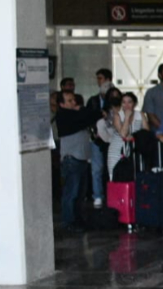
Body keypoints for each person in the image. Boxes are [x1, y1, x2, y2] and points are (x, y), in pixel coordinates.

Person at [53, 91, 95, 232]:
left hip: (82, 158)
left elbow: (91, 116)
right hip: (72, 158)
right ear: (62, 104)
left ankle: (78, 219)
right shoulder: (63, 116)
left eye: (74, 100)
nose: (73, 103)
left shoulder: (77, 114)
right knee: (71, 192)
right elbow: (85, 117)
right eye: (69, 101)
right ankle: (68, 221)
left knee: (80, 193)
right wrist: (82, 111)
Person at [84, 69, 113, 208]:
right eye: (98, 79)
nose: (98, 81)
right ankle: (98, 196)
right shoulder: (93, 100)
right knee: (97, 168)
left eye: (101, 78)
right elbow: (88, 117)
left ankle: (111, 195)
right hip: (97, 138)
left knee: (111, 168)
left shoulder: (115, 98)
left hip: (112, 138)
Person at [102, 90, 142, 180]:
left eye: (129, 102)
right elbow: (123, 134)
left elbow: (146, 132)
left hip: (132, 151)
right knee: (115, 177)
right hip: (117, 150)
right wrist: (127, 117)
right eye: (123, 102)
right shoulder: (117, 115)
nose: (126, 105)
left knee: (132, 178)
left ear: (134, 104)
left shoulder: (140, 115)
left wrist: (135, 136)